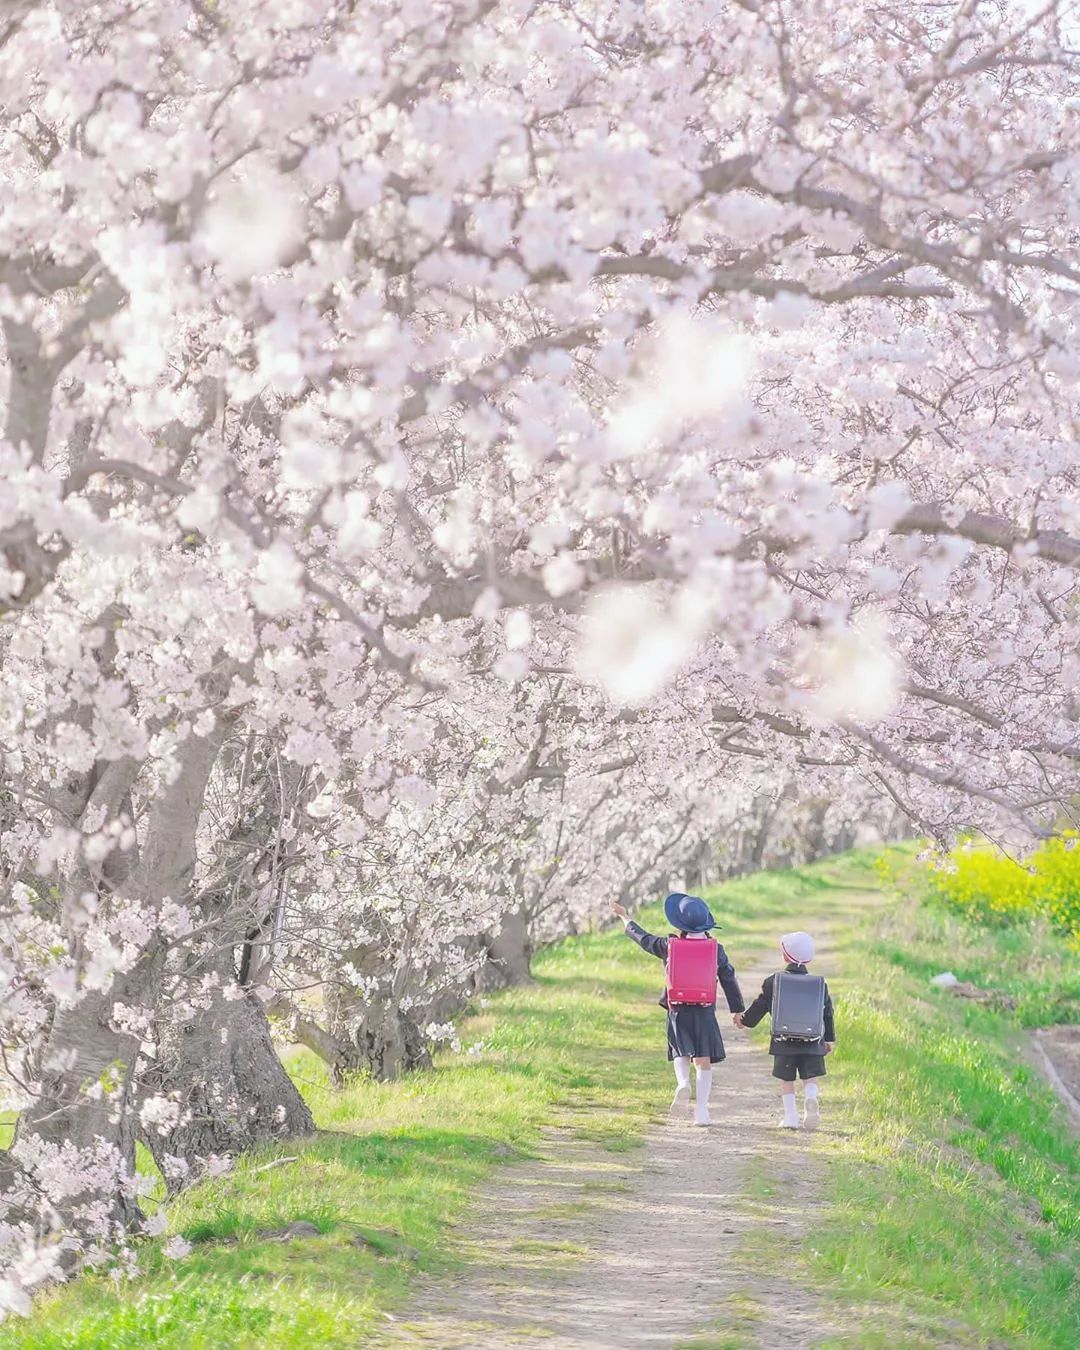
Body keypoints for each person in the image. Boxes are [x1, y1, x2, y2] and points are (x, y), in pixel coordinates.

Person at [611, 892, 745, 1127]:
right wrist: (737, 1009)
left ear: (680, 923)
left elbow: (643, 938)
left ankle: (683, 1083)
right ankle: (702, 1110)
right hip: (704, 1010)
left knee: (679, 1051)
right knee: (703, 1059)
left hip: (677, 1009)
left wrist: (624, 917)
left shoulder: (669, 945)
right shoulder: (716, 949)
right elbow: (728, 978)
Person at [734, 930, 835, 1130]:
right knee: (810, 1076)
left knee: (786, 1079)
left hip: (783, 1041)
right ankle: (811, 1098)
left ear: (785, 955)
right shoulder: (819, 984)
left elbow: (760, 1006)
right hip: (812, 1040)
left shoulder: (774, 981)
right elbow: (828, 1012)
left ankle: (790, 1118)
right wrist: (829, 1039)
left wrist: (744, 1020)